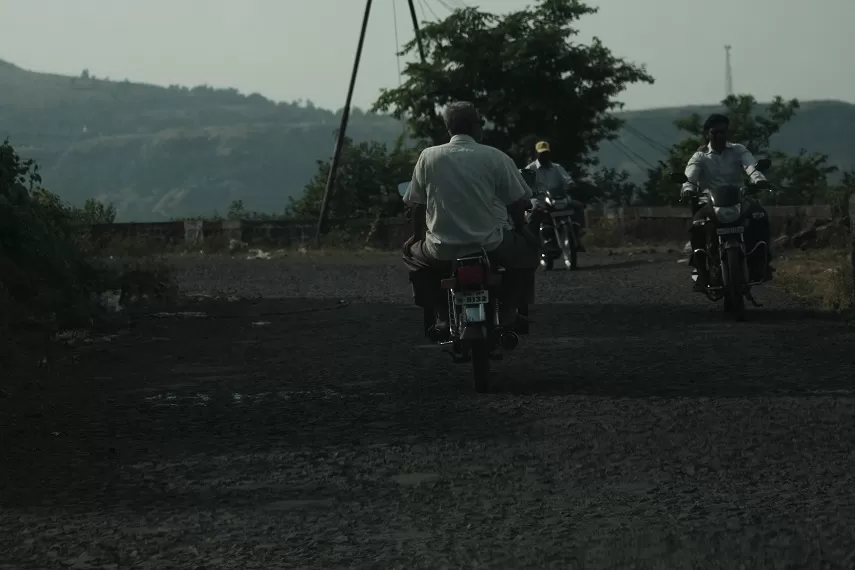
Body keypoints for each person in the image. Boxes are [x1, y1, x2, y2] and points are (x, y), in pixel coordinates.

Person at [401, 101, 540, 328]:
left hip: (440, 247)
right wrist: (522, 230)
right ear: (476, 127)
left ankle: (441, 312)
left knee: (411, 255)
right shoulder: (495, 157)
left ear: (448, 128)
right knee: (528, 253)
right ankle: (507, 310)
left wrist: (416, 237)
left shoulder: (428, 156)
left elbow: (416, 204)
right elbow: (517, 201)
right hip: (490, 244)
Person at [681, 113, 773, 290]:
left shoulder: (738, 150)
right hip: (710, 202)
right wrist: (688, 189)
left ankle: (763, 262)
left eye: (723, 132)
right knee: (696, 226)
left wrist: (758, 179)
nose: (720, 136)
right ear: (707, 133)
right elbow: (690, 176)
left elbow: (750, 166)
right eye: (715, 132)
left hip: (739, 199)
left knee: (760, 216)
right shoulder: (700, 156)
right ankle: (701, 271)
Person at [524, 141, 586, 252]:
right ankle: (532, 240)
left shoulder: (557, 167)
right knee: (534, 210)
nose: (545, 156)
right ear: (537, 154)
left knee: (578, 206)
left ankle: (578, 234)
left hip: (557, 198)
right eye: (542, 154)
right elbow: (524, 185)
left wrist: (571, 185)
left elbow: (567, 179)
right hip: (539, 199)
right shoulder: (530, 169)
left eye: (546, 153)